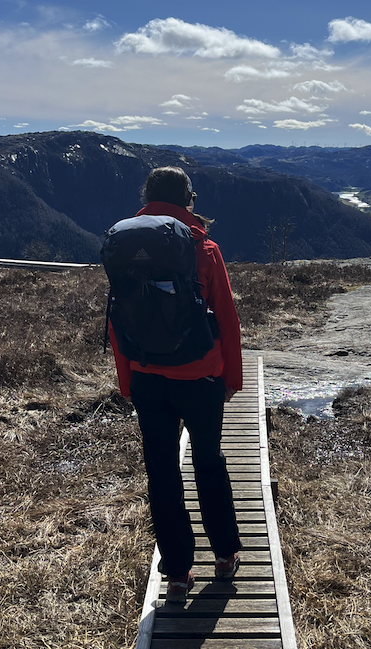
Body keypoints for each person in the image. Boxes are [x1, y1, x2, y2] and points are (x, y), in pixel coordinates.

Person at [108, 166, 243, 603]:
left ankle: (179, 574)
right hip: (201, 374)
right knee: (209, 462)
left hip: (148, 377)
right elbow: (226, 317)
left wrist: (127, 380)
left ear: (147, 196)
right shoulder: (202, 246)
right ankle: (224, 556)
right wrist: (231, 377)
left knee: (162, 474)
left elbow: (119, 320)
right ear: (188, 199)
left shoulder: (125, 247)